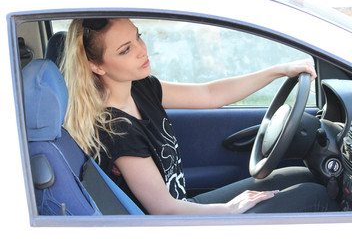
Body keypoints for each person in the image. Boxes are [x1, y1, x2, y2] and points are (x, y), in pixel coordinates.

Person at [61, 18, 339, 215]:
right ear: (96, 65)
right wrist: (228, 210)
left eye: (138, 36)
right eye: (125, 49)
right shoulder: (115, 129)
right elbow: (164, 209)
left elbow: (210, 94)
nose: (141, 50)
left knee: (300, 175)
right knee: (314, 197)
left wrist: (278, 70)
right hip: (178, 226)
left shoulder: (141, 88)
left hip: (186, 206)